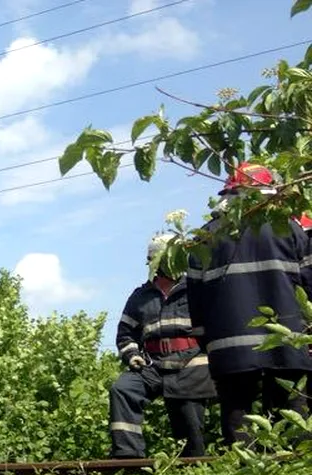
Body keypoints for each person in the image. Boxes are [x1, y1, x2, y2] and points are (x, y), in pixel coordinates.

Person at [186, 161, 312, 446]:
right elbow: (309, 283)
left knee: (237, 415)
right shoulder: (289, 228)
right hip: (288, 338)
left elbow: (195, 302)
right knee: (292, 412)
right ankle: (294, 468)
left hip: (228, 347)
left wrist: (208, 341)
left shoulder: (205, 238)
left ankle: (243, 471)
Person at [108, 233, 216, 458]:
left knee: (188, 426)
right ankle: (128, 457)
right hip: (153, 365)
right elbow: (125, 334)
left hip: (190, 363)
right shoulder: (140, 296)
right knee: (123, 389)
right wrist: (132, 355)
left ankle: (194, 467)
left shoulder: (196, 289)